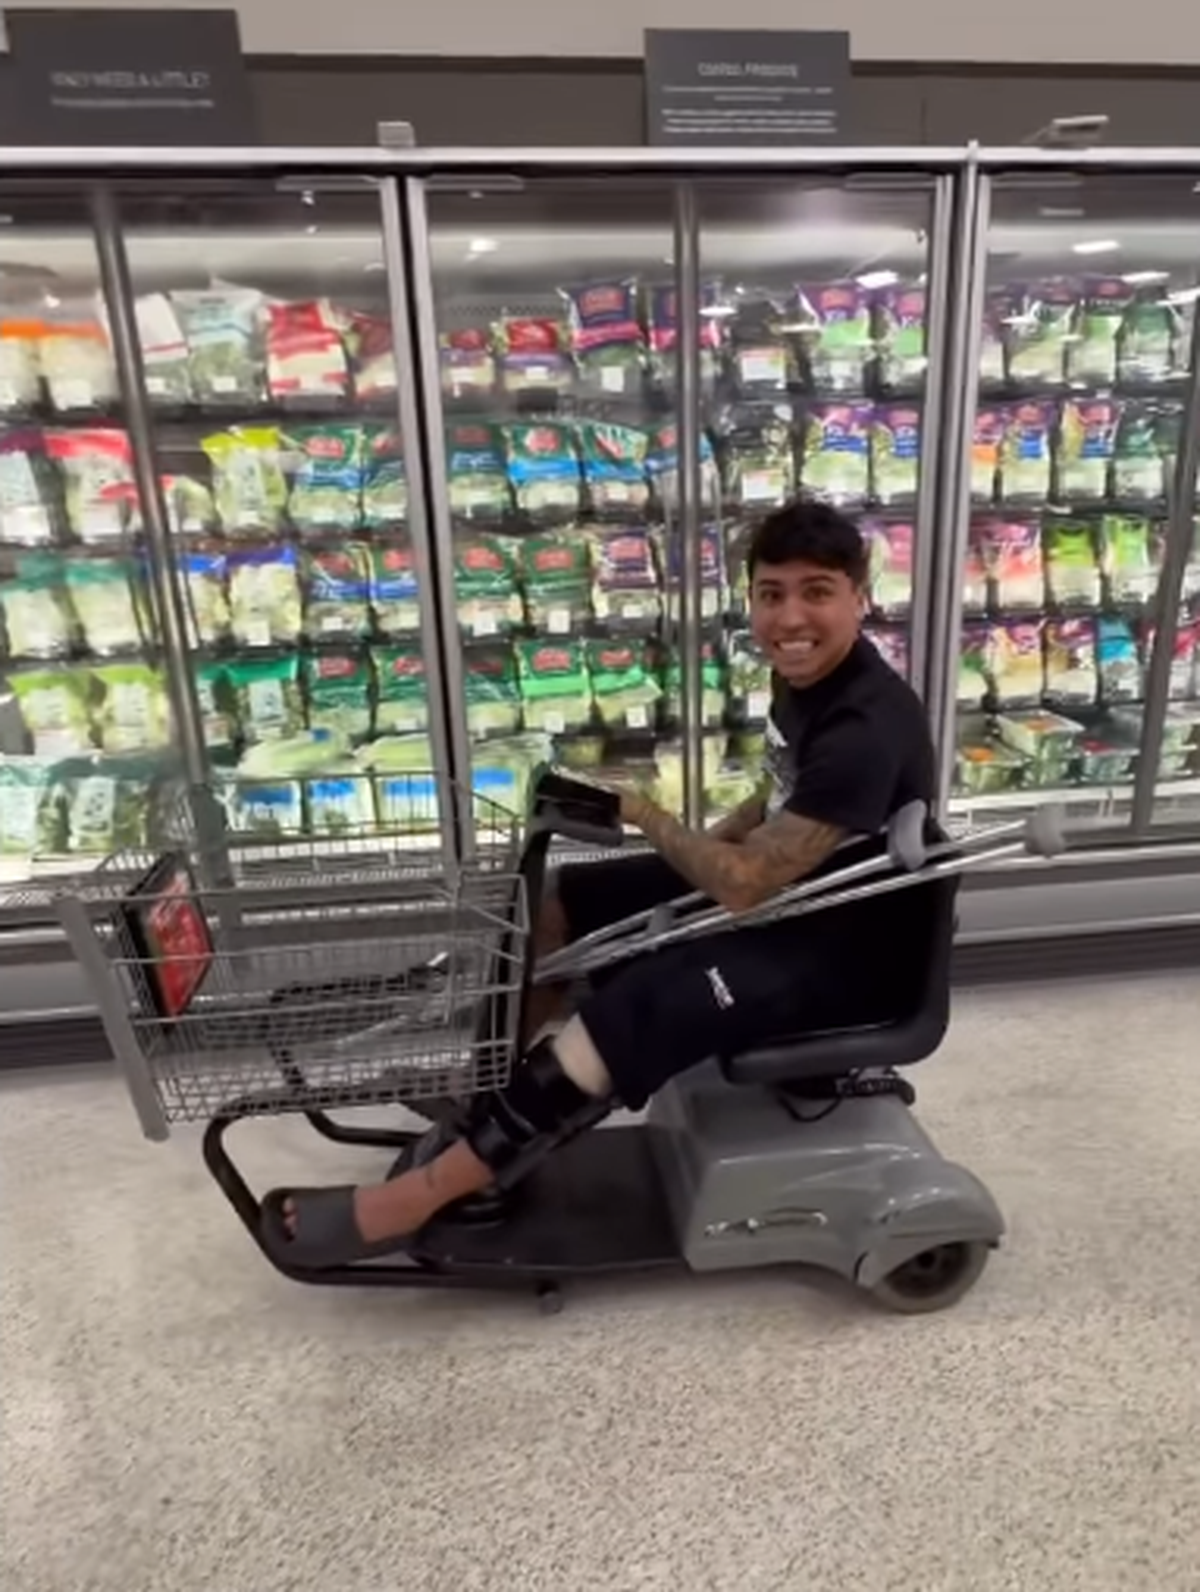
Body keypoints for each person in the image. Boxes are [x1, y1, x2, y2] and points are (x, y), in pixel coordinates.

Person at [262, 498, 936, 1267]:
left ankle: (409, 1203)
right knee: (566, 903)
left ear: (860, 596)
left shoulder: (865, 725)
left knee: (631, 1006)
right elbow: (784, 793)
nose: (790, 618)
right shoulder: (811, 679)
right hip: (801, 897)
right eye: (771, 593)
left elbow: (747, 886)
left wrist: (648, 815)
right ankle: (497, 1102)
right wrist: (697, 851)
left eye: (817, 591)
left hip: (842, 949)